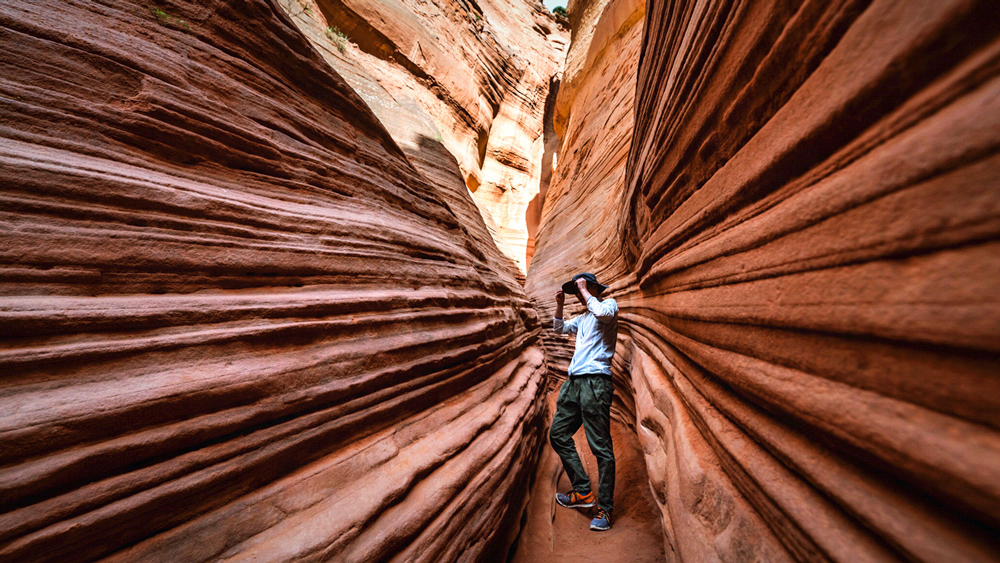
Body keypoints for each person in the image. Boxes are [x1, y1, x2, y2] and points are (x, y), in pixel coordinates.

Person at [550, 272, 619, 531]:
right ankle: (582, 492)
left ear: (591, 287)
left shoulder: (607, 305)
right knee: (558, 434)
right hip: (575, 383)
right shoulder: (583, 318)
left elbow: (602, 314)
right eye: (576, 291)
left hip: (596, 382)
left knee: (600, 447)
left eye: (580, 288)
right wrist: (559, 304)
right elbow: (558, 329)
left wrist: (586, 290)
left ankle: (606, 509)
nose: (578, 294)